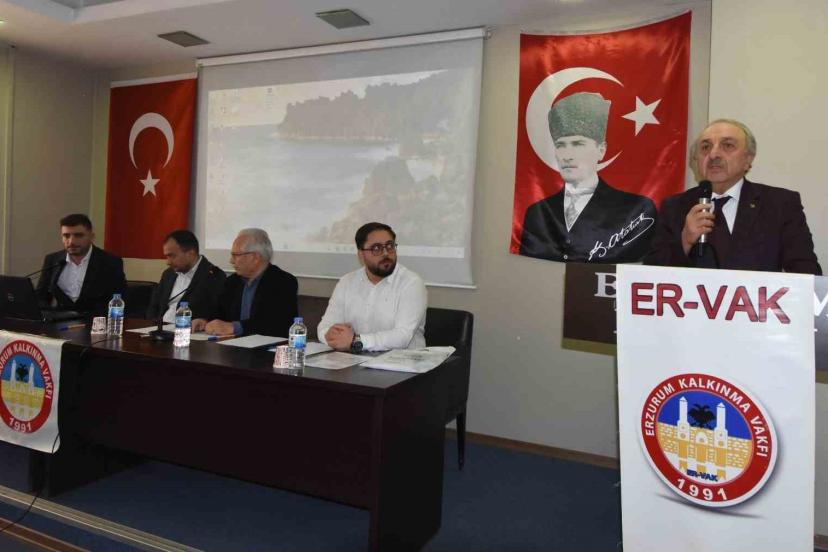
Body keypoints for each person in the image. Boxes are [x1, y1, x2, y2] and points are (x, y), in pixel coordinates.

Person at [644, 119, 821, 274]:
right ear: (696, 160)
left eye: (727, 145)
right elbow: (649, 276)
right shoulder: (674, 207)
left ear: (748, 159)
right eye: (705, 147)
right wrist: (685, 241)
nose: (713, 154)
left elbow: (807, 272)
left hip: (755, 302)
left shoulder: (780, 204)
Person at [519, 92, 657, 263]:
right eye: (560, 145)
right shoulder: (537, 212)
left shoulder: (636, 209)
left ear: (601, 150)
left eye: (578, 144)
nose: (567, 156)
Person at [318, 222, 427, 353]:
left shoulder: (411, 283)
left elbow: (402, 336)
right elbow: (324, 327)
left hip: (403, 362)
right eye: (376, 248)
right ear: (361, 254)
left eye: (390, 246)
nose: (386, 253)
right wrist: (330, 335)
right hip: (355, 360)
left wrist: (356, 341)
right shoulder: (347, 282)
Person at [193, 228, 298, 337]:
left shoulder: (283, 282)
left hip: (268, 345)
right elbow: (219, 313)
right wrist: (205, 321)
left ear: (255, 257)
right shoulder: (232, 282)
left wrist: (235, 327)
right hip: (232, 344)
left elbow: (276, 323)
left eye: (235, 255)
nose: (231, 261)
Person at [35, 213, 126, 316]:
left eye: (78, 235)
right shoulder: (53, 260)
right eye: (66, 236)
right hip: (60, 320)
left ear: (91, 237)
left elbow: (119, 300)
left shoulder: (110, 262)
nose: (71, 241)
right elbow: (40, 297)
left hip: (95, 321)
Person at [146, 230, 226, 323]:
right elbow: (154, 307)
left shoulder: (214, 276)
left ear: (190, 254)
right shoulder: (168, 274)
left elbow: (215, 315)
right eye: (167, 256)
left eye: (172, 256)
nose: (167, 262)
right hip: (159, 328)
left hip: (188, 330)